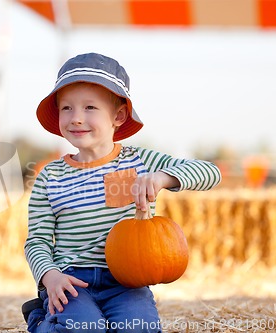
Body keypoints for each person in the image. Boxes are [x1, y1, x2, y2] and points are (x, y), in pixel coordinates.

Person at [22, 53, 221, 333]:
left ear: (118, 116)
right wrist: (49, 276)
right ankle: (41, 320)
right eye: (66, 108)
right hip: (71, 281)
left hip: (126, 283)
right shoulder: (50, 176)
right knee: (85, 329)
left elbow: (211, 172)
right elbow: (37, 241)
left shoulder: (138, 162)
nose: (76, 118)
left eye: (90, 107)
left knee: (138, 328)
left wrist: (164, 177)